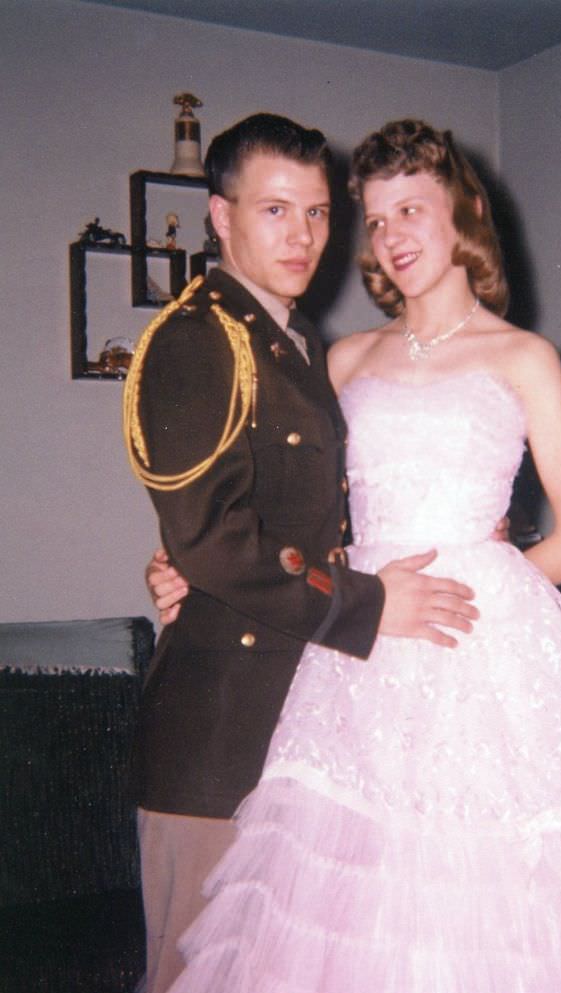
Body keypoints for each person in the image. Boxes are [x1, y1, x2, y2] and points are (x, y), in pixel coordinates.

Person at [155, 118, 561, 992]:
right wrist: (186, 564)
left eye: (411, 209)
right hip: (355, 651)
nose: (392, 237)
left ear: (463, 213)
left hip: (481, 649)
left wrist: (483, 577)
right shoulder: (340, 358)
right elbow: (278, 508)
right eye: (375, 221)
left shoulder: (526, 358)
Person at [123, 113, 480, 993]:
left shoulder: (291, 343)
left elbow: (293, 517)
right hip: (218, 736)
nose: (303, 236)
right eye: (275, 210)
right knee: (193, 974)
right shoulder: (198, 335)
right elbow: (212, 536)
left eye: (318, 213)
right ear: (219, 217)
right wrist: (369, 604)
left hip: (305, 723)